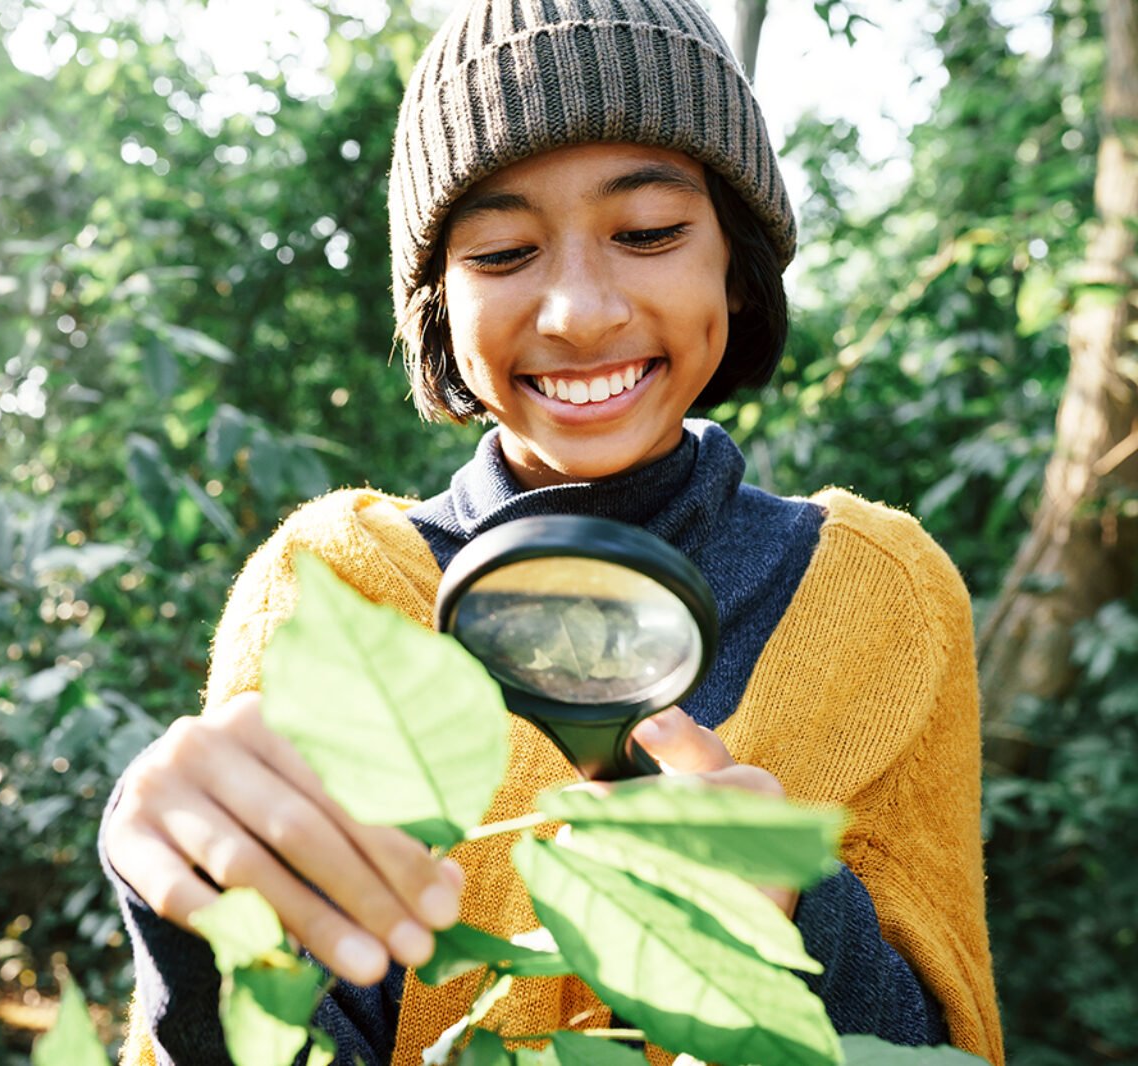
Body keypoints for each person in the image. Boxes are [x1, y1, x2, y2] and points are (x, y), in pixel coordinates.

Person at [98, 1, 1005, 1062]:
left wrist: (805, 922)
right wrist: (193, 921)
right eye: (502, 249)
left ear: (735, 257)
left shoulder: (882, 593)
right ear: (437, 298)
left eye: (649, 232)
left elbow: (950, 1040)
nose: (578, 310)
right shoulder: (328, 587)